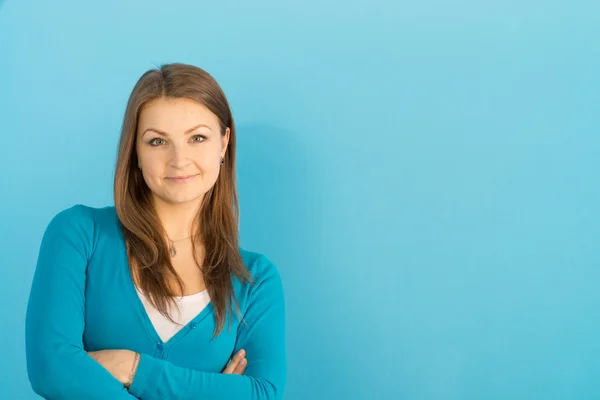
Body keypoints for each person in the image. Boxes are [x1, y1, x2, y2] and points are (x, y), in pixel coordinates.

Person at [25, 63, 287, 399]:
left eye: (197, 138)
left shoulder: (255, 280)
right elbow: (51, 369)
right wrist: (213, 389)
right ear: (135, 150)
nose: (179, 159)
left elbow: (262, 393)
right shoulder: (79, 234)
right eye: (158, 141)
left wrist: (132, 367)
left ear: (224, 143)